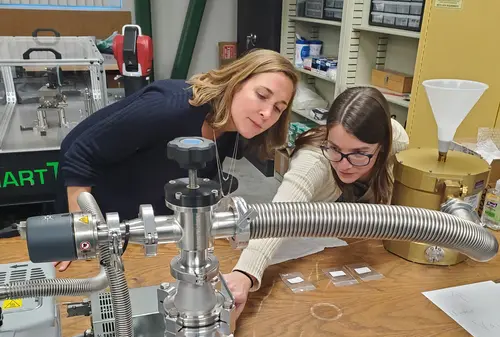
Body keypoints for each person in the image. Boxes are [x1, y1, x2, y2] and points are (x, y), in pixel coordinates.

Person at [54, 49, 298, 271]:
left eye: (278, 108)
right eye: (262, 95)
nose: (267, 113)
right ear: (236, 82)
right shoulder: (169, 107)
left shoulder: (232, 129)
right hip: (102, 220)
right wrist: (80, 231)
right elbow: (78, 153)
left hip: (152, 226)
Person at [224, 86, 410, 319]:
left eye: (359, 153)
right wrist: (244, 274)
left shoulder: (397, 140)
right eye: (335, 148)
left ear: (382, 147)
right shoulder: (313, 160)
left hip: (363, 249)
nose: (344, 164)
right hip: (314, 252)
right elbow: (281, 213)